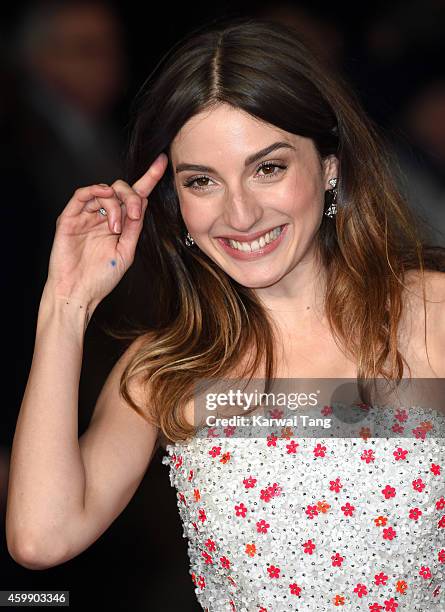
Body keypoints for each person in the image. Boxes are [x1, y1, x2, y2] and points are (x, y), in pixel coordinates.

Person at [6, 15, 445, 611]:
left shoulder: (434, 312)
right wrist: (66, 303)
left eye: (268, 168)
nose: (239, 215)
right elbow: (41, 537)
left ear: (330, 166)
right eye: (202, 181)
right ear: (174, 199)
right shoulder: (166, 369)